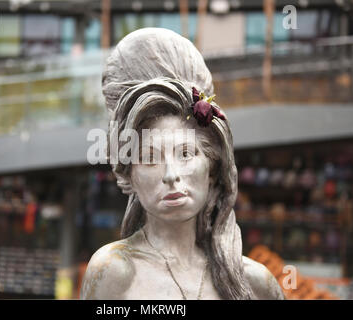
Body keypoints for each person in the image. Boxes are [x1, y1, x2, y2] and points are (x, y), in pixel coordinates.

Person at [80, 28, 284, 300]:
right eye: (150, 158)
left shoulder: (255, 283)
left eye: (186, 153)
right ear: (129, 176)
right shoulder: (113, 272)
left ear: (213, 166)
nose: (171, 175)